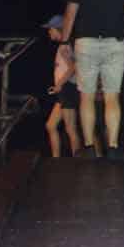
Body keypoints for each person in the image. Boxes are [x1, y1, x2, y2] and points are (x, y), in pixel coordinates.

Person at [60, 0, 124, 161]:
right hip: (114, 43)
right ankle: (112, 147)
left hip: (86, 43)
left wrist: (64, 41)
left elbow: (70, 14)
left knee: (86, 96)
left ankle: (88, 148)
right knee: (112, 96)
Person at [42, 15, 82, 158]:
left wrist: (59, 85)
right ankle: (56, 159)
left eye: (51, 29)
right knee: (50, 125)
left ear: (58, 29)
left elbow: (73, 68)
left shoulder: (65, 46)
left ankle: (77, 160)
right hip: (63, 90)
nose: (49, 32)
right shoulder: (63, 46)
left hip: (67, 89)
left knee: (70, 128)